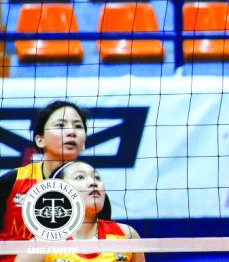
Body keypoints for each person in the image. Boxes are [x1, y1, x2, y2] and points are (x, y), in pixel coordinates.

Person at [0, 101, 111, 261]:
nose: (71, 132)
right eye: (60, 125)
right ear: (40, 140)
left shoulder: (92, 190)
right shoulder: (13, 181)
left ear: (84, 143)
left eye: (78, 126)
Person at [16, 161, 144, 262]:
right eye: (80, 177)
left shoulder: (126, 235)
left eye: (97, 178)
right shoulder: (41, 245)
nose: (93, 182)